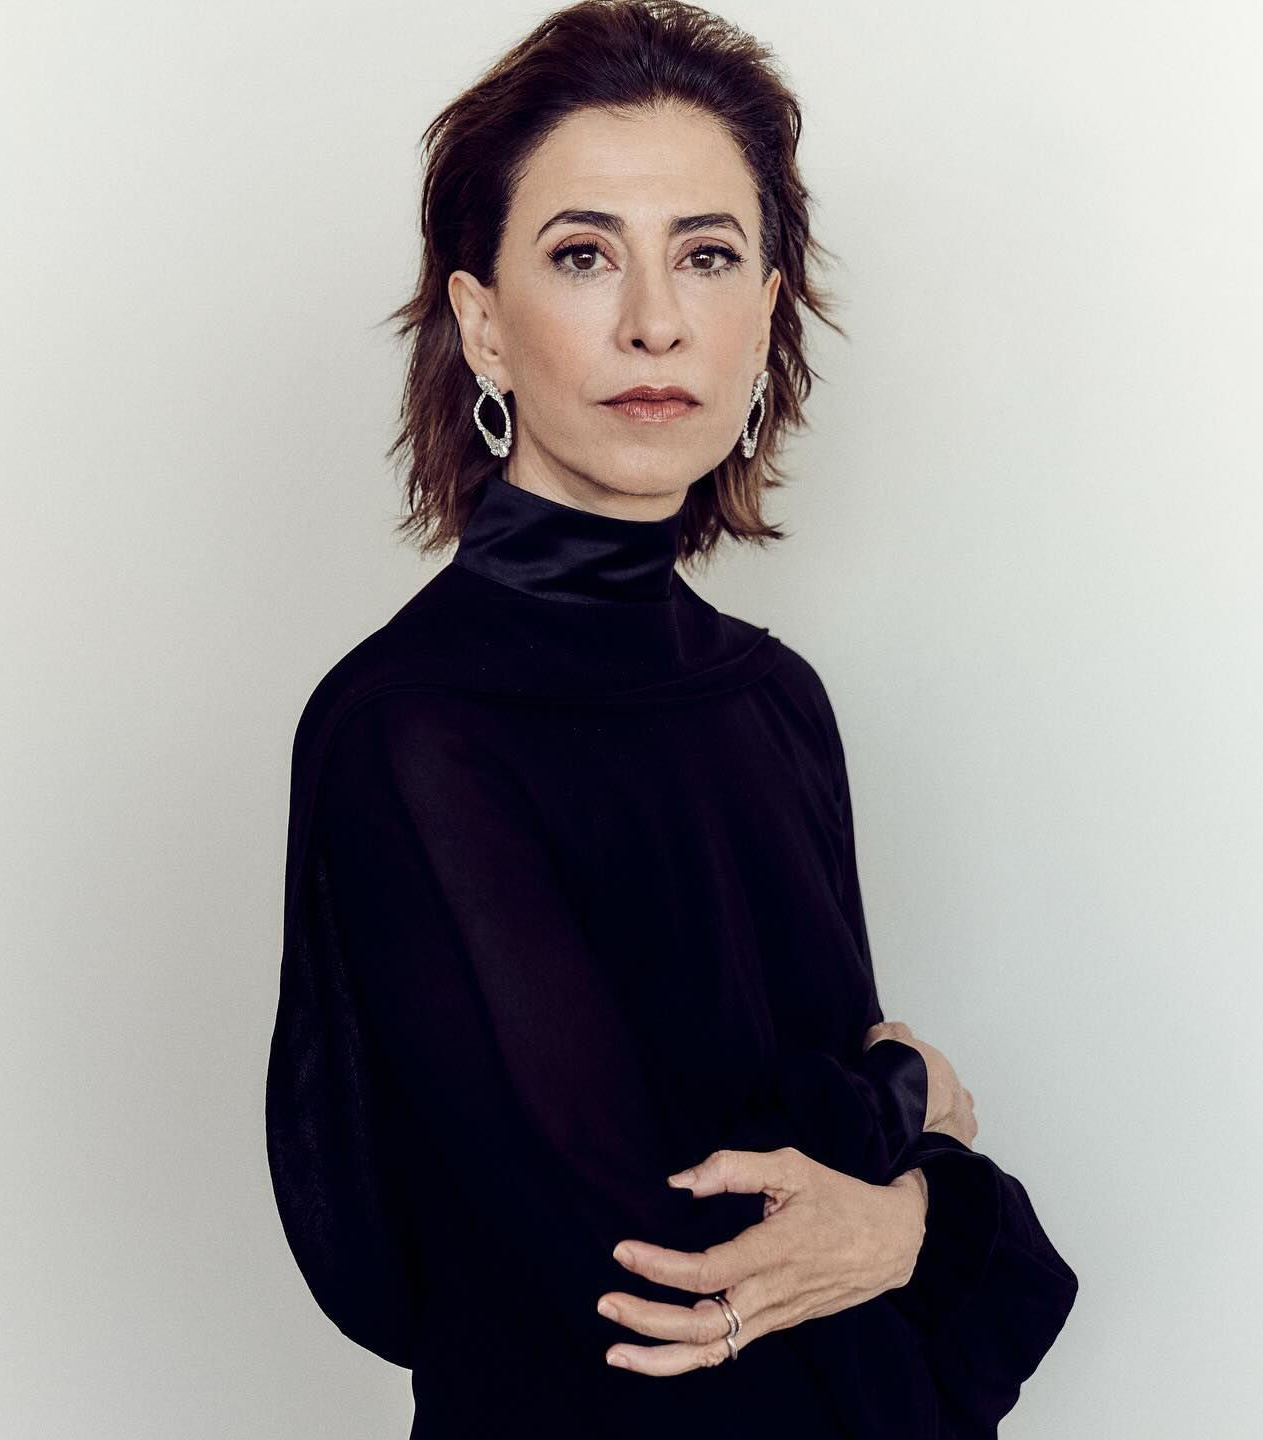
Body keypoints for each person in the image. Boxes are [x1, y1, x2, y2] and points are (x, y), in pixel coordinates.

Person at [264, 3, 1078, 1436]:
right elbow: (659, 1259)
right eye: (584, 255)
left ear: (766, 310)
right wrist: (911, 1110)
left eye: (706, 254)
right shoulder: (412, 728)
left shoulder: (776, 700)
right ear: (482, 324)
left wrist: (903, 1219)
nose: (655, 319)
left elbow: (830, 1218)